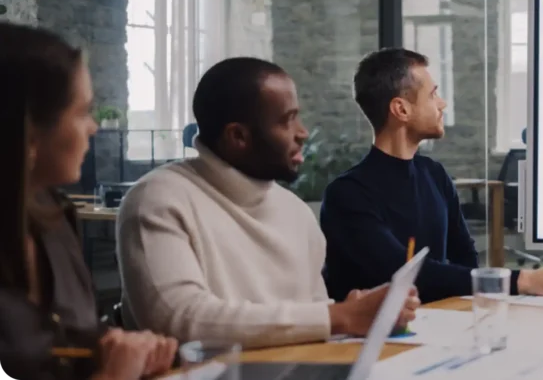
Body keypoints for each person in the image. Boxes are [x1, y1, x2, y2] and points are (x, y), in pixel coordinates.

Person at [116, 57, 419, 348]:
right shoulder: (158, 199)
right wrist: (340, 316)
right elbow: (178, 318)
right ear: (238, 136)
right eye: (287, 120)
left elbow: (312, 324)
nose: (302, 133)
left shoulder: (295, 212)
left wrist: (352, 313)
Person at [321, 48, 543, 304]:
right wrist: (524, 280)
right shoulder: (347, 196)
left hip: (443, 323)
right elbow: (404, 275)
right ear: (401, 109)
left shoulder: (434, 174)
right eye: (432, 95)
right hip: (379, 338)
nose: (442, 104)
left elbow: (466, 264)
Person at [0, 21, 177, 380]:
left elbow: (80, 338)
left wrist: (125, 349)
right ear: (28, 132)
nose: (94, 128)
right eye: (82, 112)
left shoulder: (55, 218)